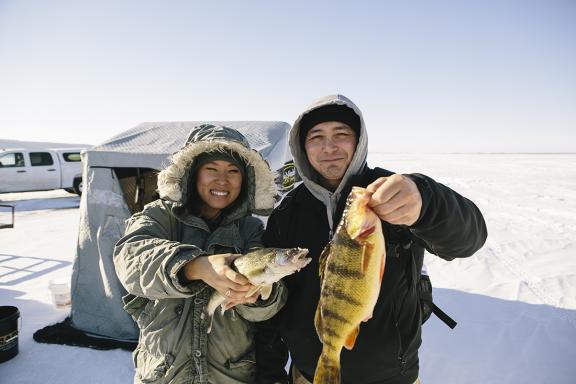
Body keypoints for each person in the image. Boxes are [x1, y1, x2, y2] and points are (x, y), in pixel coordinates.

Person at [255, 95, 488, 384]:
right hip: (308, 374)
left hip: (391, 377)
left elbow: (469, 239)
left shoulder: (392, 193)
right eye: (316, 137)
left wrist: (426, 202)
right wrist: (269, 375)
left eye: (341, 134)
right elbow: (272, 302)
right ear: (302, 147)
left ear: (359, 141)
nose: (329, 147)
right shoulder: (287, 212)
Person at [113, 124, 286, 384]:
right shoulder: (160, 216)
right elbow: (131, 257)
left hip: (232, 376)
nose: (222, 180)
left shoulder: (251, 229)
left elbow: (267, 308)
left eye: (233, 171)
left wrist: (260, 296)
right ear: (192, 173)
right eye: (211, 169)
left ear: (245, 179)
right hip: (164, 375)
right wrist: (195, 266)